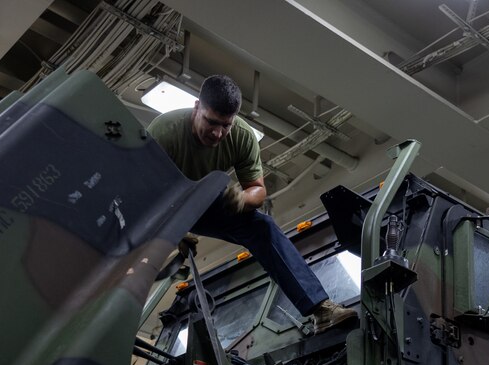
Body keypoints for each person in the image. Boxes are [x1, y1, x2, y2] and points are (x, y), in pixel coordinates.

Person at [147, 74, 356, 332]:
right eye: (211, 122)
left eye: (226, 125)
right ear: (196, 107)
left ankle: (320, 310)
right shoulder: (164, 131)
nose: (218, 133)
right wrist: (174, 228)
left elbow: (257, 190)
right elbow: (144, 191)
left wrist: (243, 199)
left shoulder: (243, 137)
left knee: (262, 226)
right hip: (160, 202)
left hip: (208, 202)